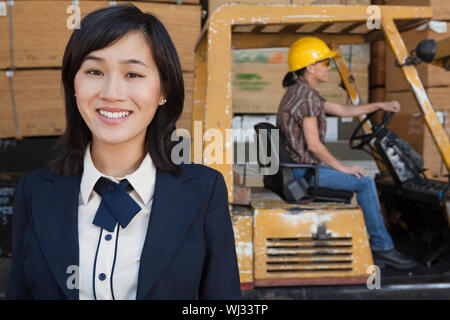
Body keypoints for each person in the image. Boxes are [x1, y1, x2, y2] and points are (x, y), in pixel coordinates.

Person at [6, 4, 242, 300]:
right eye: (94, 71)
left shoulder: (204, 192)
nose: (112, 92)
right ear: (73, 85)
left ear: (164, 90)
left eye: (133, 74)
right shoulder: (35, 192)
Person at [276, 36, 417, 270]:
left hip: (299, 170)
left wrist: (379, 106)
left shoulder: (299, 92)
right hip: (304, 174)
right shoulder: (306, 97)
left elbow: (342, 110)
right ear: (310, 67)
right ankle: (383, 248)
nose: (328, 68)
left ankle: (377, 241)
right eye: (325, 63)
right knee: (364, 182)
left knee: (360, 177)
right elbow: (314, 145)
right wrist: (342, 167)